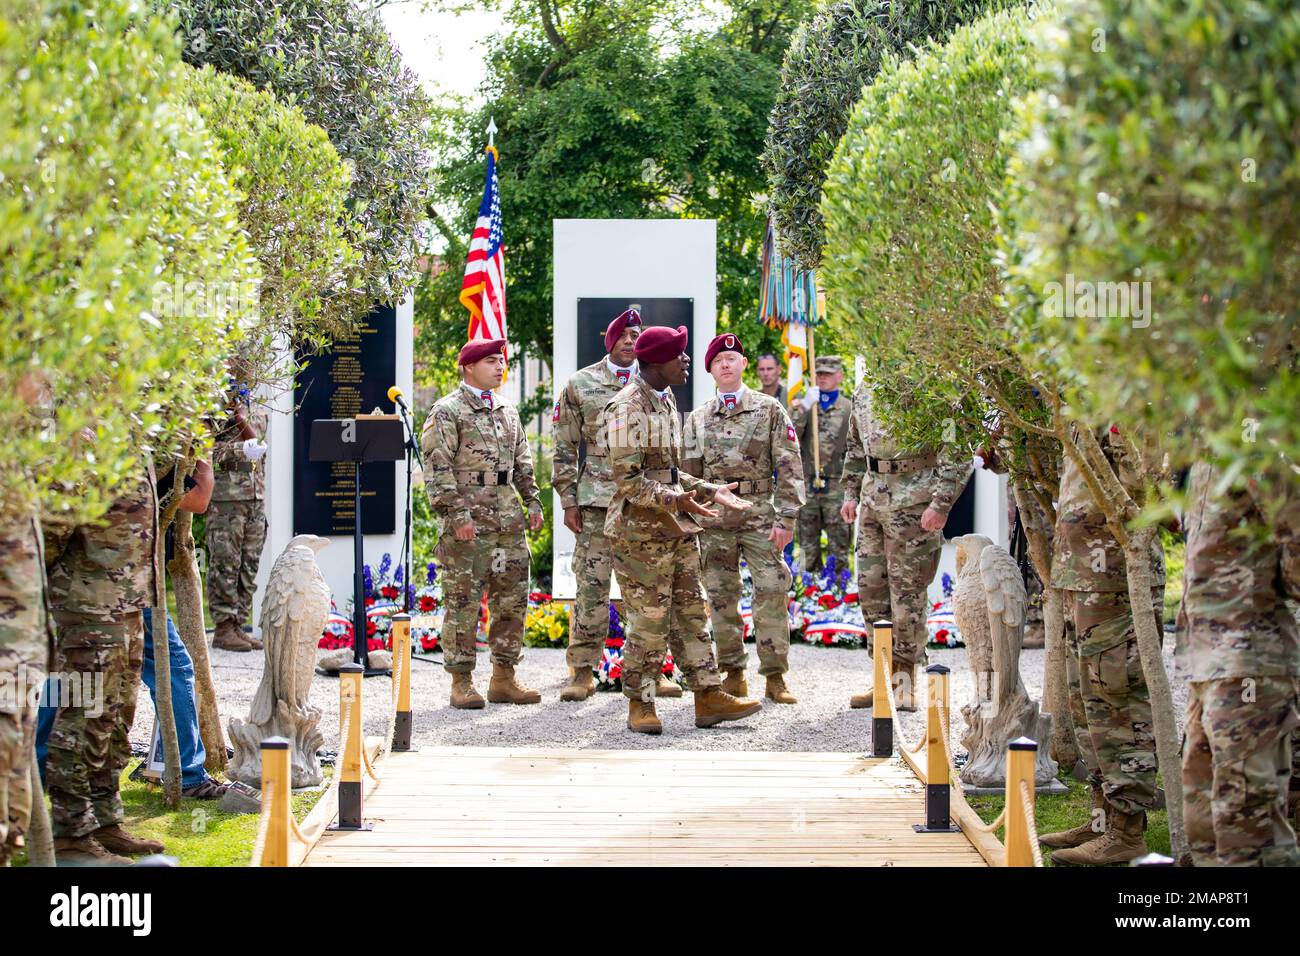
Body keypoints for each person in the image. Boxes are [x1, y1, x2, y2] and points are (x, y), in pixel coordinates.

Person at [604, 324, 763, 735]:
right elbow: (629, 481)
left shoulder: (667, 398)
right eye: (681, 355)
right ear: (657, 362)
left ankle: (708, 695)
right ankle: (640, 701)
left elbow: (669, 473)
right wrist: (676, 499)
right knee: (650, 622)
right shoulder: (626, 408)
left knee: (692, 614)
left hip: (676, 530)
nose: (688, 361)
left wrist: (708, 489)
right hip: (640, 536)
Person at [43, 459, 180, 865]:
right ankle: (70, 834)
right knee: (81, 719)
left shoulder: (132, 438)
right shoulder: (87, 440)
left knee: (115, 719)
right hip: (89, 606)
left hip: (129, 604)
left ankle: (104, 821)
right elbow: (53, 530)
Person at [1038, 426, 1164, 866]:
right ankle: (1101, 821)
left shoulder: (1131, 400)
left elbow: (1154, 489)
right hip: (1082, 580)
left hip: (1116, 579)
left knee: (1119, 706)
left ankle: (1127, 831)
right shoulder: (1084, 402)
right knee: (1086, 706)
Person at [1177, 462, 1300, 866]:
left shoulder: (1264, 454)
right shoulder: (1203, 458)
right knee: (1203, 818)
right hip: (1204, 662)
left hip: (1249, 660)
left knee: (1248, 826)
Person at [552, 307, 677, 700]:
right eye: (622, 334)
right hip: (597, 504)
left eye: (635, 334)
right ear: (610, 340)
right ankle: (582, 671)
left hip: (644, 506)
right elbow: (563, 448)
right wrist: (568, 500)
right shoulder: (580, 384)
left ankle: (653, 671)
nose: (629, 340)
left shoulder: (657, 386)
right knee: (592, 588)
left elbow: (667, 449)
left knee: (648, 590)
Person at [422, 338, 544, 709]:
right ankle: (461, 681)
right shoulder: (448, 411)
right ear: (468, 367)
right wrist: (456, 516)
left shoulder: (507, 410)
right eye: (491, 361)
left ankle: (503, 678)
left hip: (508, 522)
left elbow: (522, 459)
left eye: (501, 361)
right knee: (464, 603)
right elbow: (437, 469)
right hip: (469, 525)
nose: (499, 367)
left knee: (511, 601)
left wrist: (533, 501)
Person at [683, 333, 805, 704]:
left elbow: (789, 466)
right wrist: (692, 520)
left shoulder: (769, 410)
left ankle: (774, 676)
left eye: (732, 357)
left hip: (759, 514)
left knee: (770, 590)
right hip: (714, 520)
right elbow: (687, 473)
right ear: (710, 370)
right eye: (718, 360)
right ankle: (733, 672)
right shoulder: (698, 418)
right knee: (721, 596)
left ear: (743, 365)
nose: (725, 364)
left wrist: (786, 520)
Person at [839, 384, 971, 711]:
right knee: (872, 592)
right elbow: (856, 446)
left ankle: (904, 682)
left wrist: (941, 504)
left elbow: (955, 449)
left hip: (915, 502)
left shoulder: (930, 386)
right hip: (873, 501)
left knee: (907, 594)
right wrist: (851, 493)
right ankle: (882, 678)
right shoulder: (865, 389)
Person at [206, 379, 269, 652]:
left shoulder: (256, 405)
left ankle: (238, 625)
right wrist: (238, 448)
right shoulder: (213, 405)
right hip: (226, 499)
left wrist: (243, 420)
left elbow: (258, 441)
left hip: (255, 496)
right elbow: (204, 449)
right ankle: (223, 628)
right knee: (225, 564)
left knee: (248, 565)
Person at [791, 356, 853, 572]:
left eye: (828, 373)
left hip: (837, 484)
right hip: (808, 483)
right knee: (807, 544)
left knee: (840, 544)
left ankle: (839, 597)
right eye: (820, 374)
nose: (823, 378)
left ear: (839, 376)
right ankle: (809, 594)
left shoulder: (848, 407)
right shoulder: (805, 403)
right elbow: (790, 438)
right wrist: (805, 407)